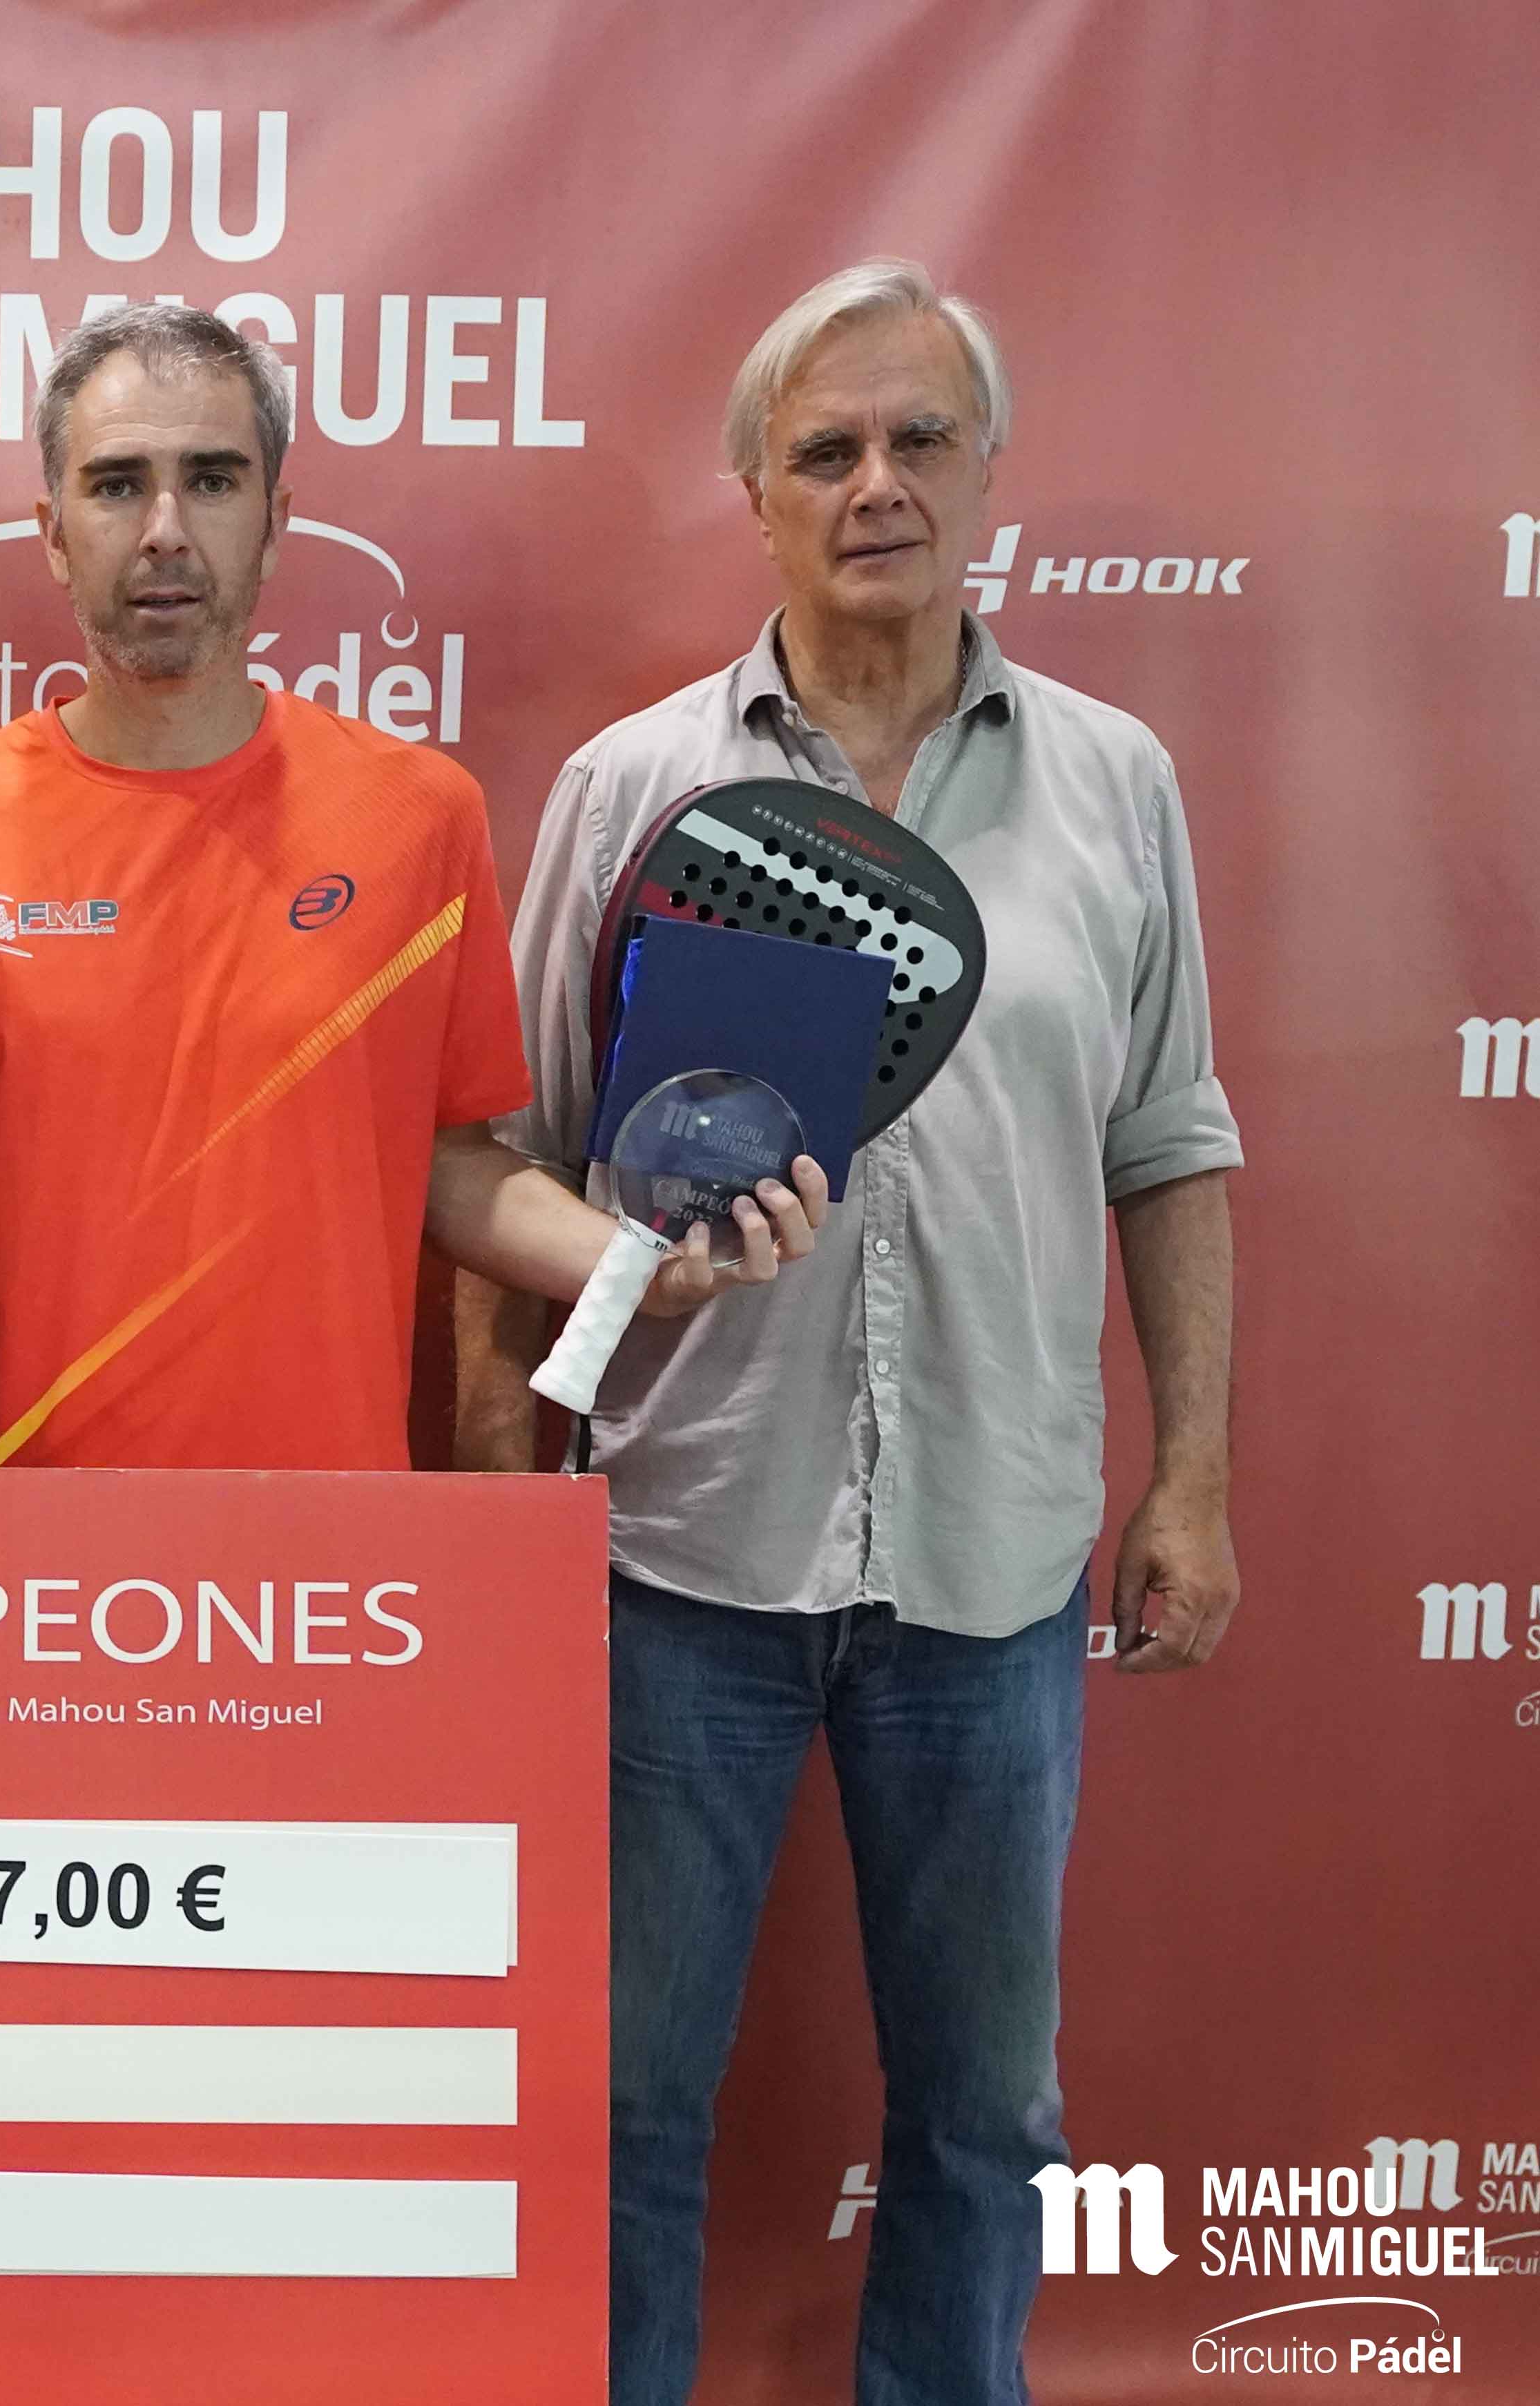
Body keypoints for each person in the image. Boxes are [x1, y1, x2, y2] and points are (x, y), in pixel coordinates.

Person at [454, 261, 1244, 2406]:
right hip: (675, 1558)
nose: (873, 483)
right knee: (619, 2113)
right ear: (755, 494)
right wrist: (492, 1495)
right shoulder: (629, 787)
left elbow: (1169, 1143)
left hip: (993, 1565)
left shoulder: (1114, 783)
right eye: (823, 449)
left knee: (984, 2120)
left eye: (916, 439)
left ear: (987, 472)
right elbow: (500, 1165)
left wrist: (1188, 1477)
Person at [0, 303, 825, 1489]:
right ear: (54, 533)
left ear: (276, 523)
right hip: (17, 1538)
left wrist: (634, 1265)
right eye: (118, 485)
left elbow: (449, 1164)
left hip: (320, 1546)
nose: (166, 531)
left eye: (213, 480)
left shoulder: (418, 817)